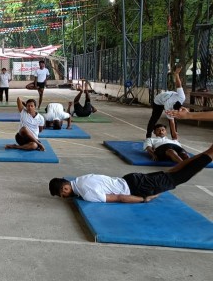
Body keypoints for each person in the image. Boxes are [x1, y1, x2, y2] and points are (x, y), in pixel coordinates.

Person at [49, 143, 213, 203]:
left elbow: (119, 197)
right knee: (173, 171)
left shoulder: (87, 193)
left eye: (62, 195)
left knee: (180, 177)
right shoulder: (80, 179)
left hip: (137, 188)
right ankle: (208, 151)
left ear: (64, 189)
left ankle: (210, 154)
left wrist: (143, 199)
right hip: (131, 178)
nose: (64, 198)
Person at [146, 67, 184, 139]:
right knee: (155, 118)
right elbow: (171, 121)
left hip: (166, 97)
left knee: (174, 118)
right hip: (158, 101)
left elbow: (179, 85)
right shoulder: (168, 106)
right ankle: (148, 136)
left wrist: (177, 74)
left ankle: (174, 137)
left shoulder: (182, 97)